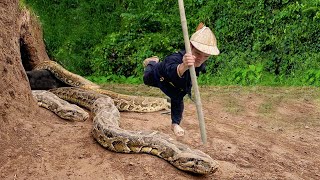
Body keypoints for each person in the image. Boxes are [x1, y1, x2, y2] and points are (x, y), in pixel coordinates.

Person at [143, 23, 220, 136]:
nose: (201, 59)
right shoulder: (174, 59)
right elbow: (173, 70)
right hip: (160, 76)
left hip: (177, 87)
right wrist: (184, 66)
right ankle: (152, 61)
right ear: (190, 46)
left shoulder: (200, 62)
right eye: (198, 53)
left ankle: (175, 124)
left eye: (206, 56)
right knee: (146, 78)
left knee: (178, 97)